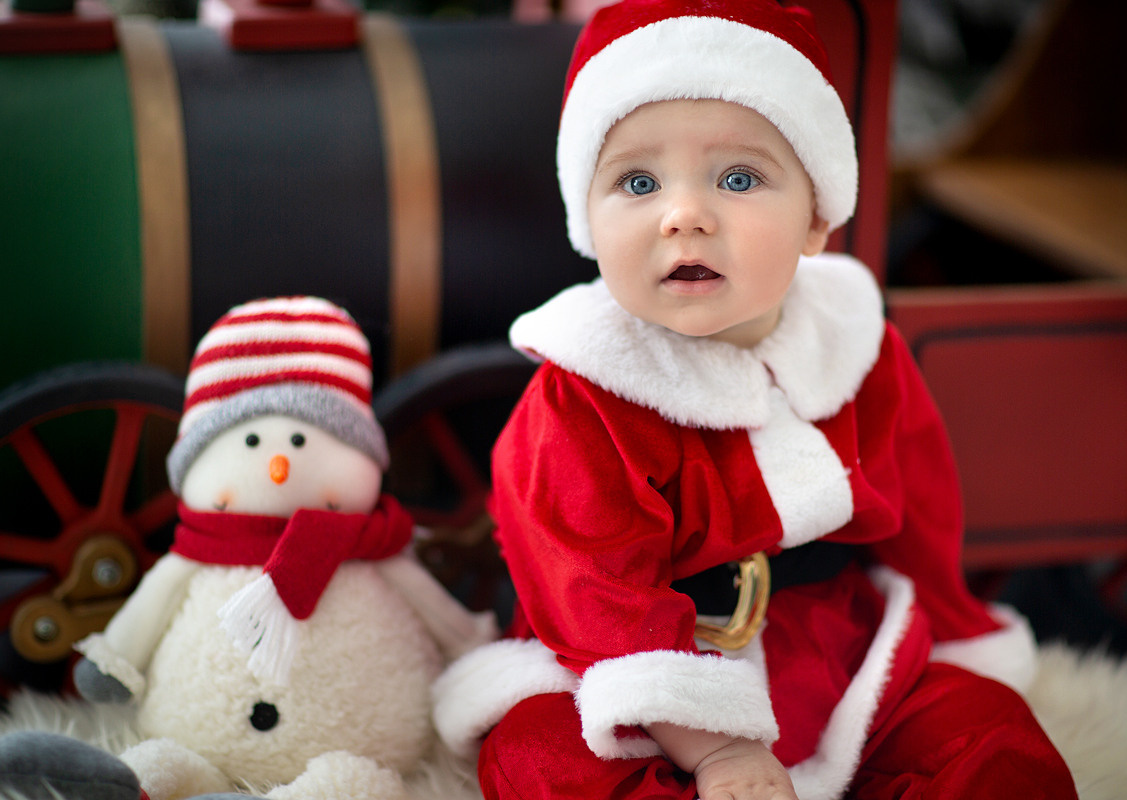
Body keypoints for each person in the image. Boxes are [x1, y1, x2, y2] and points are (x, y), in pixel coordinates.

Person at [432, 2, 1079, 798]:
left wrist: (955, 641)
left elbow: (921, 523)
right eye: (638, 182)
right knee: (542, 758)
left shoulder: (860, 351)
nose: (685, 215)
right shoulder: (580, 396)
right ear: (588, 224)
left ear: (814, 218)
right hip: (624, 666)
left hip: (839, 651)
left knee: (991, 739)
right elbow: (592, 600)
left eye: (739, 178)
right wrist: (718, 748)